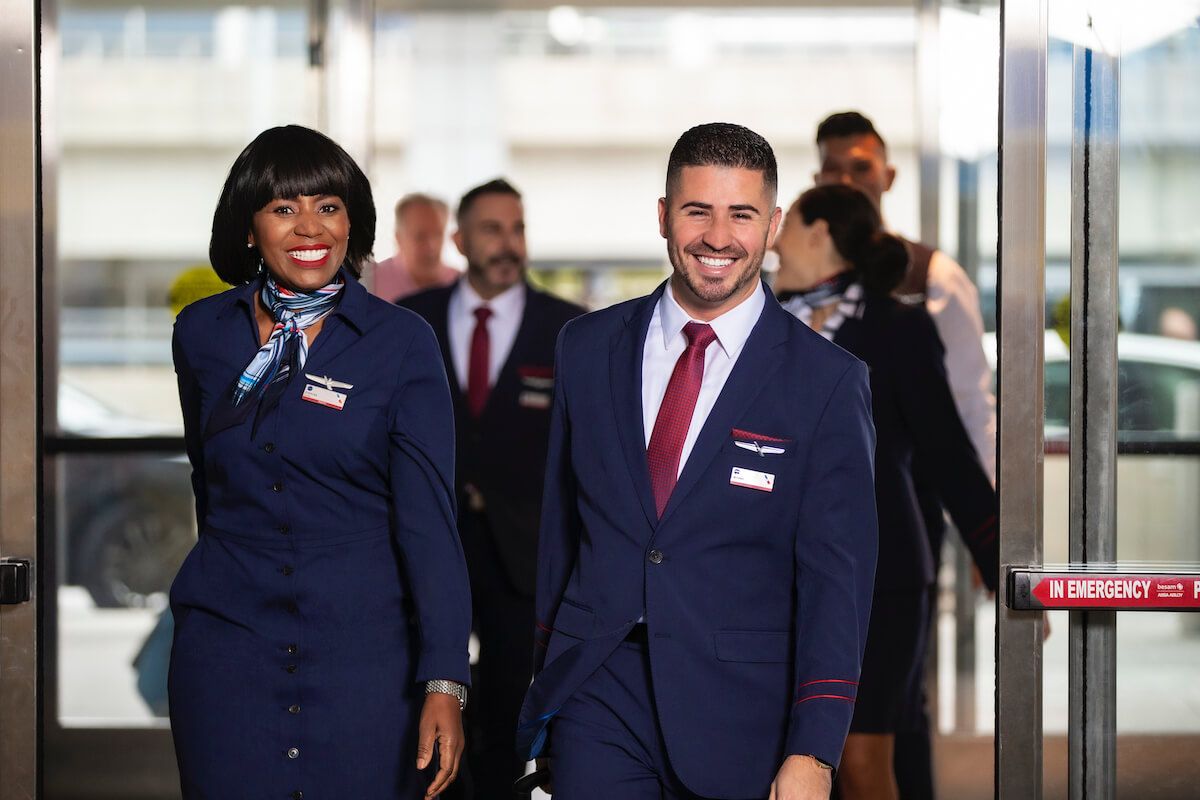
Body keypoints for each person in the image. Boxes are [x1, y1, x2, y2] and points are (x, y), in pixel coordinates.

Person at [517, 123, 879, 800]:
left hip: (743, 710)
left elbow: (839, 584)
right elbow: (559, 539)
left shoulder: (827, 383)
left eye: (741, 214)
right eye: (697, 211)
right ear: (663, 216)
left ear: (771, 226)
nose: (718, 236)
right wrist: (545, 688)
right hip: (599, 693)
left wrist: (816, 751)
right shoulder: (585, 348)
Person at [168, 125, 471, 800]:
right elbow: (207, 481)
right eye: (283, 209)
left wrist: (445, 679)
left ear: (352, 221)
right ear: (248, 229)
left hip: (366, 663)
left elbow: (430, 527)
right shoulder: (200, 334)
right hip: (226, 653)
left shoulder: (400, 344)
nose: (310, 227)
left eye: (328, 206)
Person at [772, 183, 999, 800]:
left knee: (861, 760)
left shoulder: (898, 327)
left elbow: (947, 452)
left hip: (883, 573)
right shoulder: (759, 325)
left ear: (818, 233)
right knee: (784, 758)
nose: (773, 240)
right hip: (774, 574)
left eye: (785, 224)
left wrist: (1001, 562)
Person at [400, 178, 584, 797]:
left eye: (518, 229)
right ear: (460, 239)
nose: (509, 244)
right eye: (492, 229)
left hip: (526, 556)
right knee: (423, 696)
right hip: (429, 547)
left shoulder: (570, 332)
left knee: (512, 708)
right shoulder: (410, 323)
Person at [370, 192, 459, 302]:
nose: (431, 246)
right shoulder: (370, 282)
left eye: (437, 234)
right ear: (398, 238)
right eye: (420, 236)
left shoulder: (461, 284)